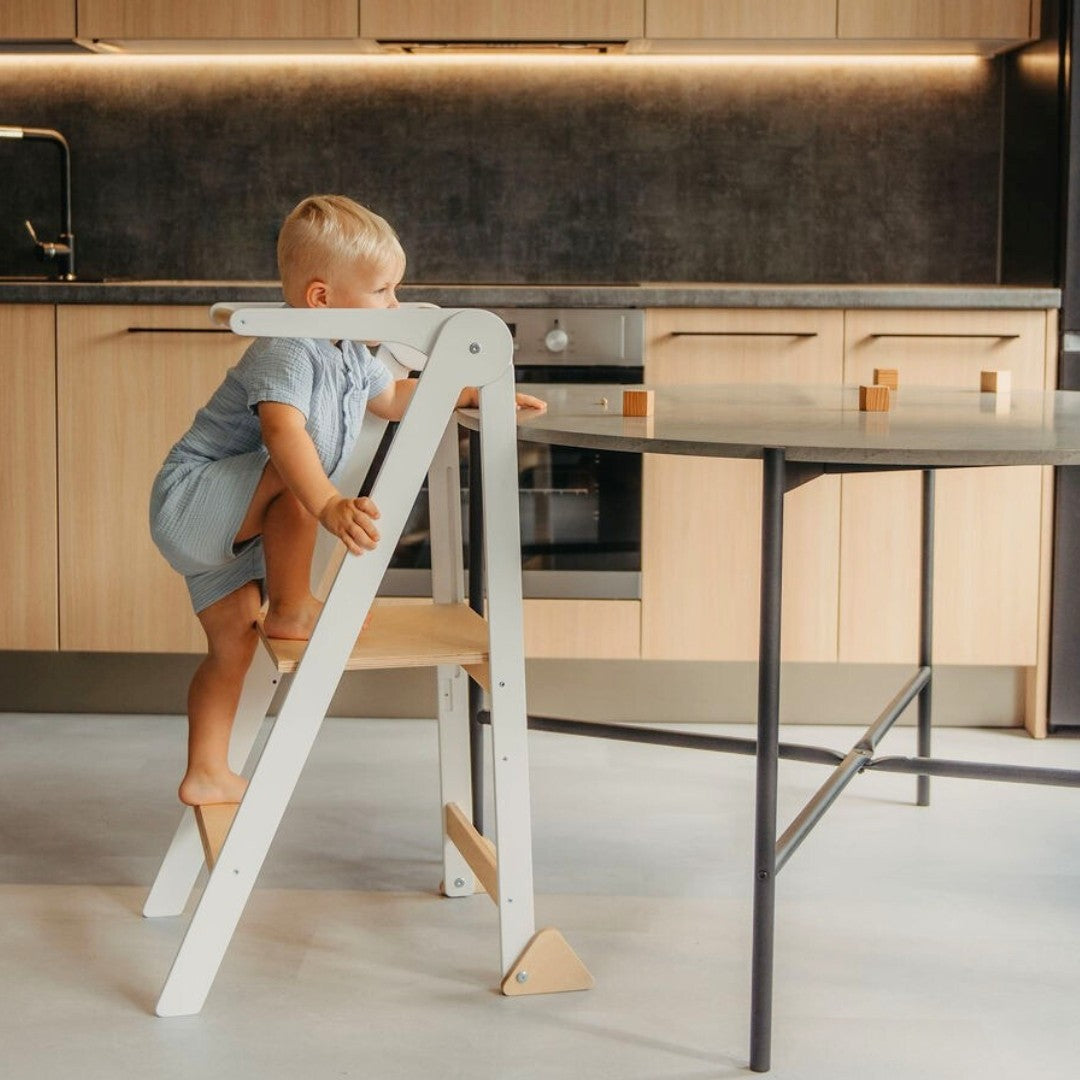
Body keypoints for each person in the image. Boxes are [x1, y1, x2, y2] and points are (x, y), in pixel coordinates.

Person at [149, 194, 545, 810]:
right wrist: (331, 502)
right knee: (296, 472)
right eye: (384, 292)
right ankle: (293, 607)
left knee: (231, 647)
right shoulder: (288, 348)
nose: (395, 306)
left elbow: (394, 399)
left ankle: (205, 770)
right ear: (320, 299)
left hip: (231, 525)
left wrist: (474, 391)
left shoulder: (349, 355)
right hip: (195, 497)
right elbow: (282, 433)